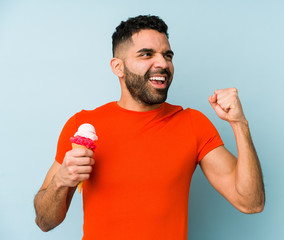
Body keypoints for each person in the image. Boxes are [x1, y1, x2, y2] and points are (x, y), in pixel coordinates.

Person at [34, 15, 265, 239]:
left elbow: (251, 202)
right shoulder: (82, 125)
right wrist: (61, 181)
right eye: (147, 54)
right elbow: (45, 222)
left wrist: (239, 124)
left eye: (168, 55)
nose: (163, 64)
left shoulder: (193, 123)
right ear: (118, 67)